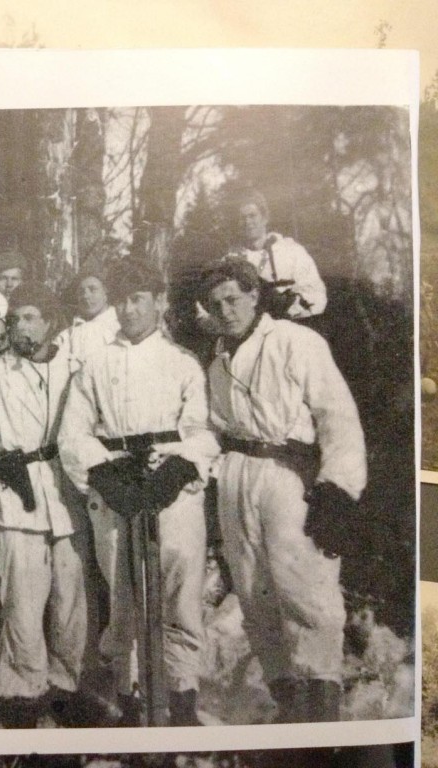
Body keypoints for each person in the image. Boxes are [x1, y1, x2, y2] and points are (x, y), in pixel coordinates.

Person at [200, 258, 366, 723]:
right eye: (216, 304)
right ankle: (289, 703)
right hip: (236, 474)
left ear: (255, 295)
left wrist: (337, 486)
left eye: (233, 298)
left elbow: (337, 415)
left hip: (286, 471)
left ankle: (322, 706)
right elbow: (214, 425)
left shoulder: (296, 341)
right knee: (254, 594)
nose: (226, 310)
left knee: (304, 587)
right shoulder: (218, 358)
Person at [59, 259, 218, 727]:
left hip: (171, 487)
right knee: (122, 596)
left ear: (159, 302)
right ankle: (131, 700)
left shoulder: (182, 362)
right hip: (117, 486)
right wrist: (102, 474)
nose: (129, 310)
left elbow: (202, 430)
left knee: (179, 591)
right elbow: (74, 434)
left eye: (139, 299)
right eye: (122, 300)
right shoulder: (95, 364)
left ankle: (180, 697)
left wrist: (180, 465)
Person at [0, 283, 92, 728]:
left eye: (30, 317)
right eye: (15, 318)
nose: (21, 327)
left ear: (50, 322)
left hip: (66, 491)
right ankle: (23, 689)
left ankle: (67, 684)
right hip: (15, 493)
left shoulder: (74, 369)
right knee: (21, 599)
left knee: (71, 596)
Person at [229, 188, 327, 319]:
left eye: (252, 216)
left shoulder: (291, 251)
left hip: (291, 324)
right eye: (242, 218)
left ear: (265, 218)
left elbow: (314, 292)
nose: (247, 222)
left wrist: (295, 310)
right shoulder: (232, 259)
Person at [54, 257, 120, 364]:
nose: (86, 296)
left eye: (93, 289)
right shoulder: (69, 333)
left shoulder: (119, 326)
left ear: (105, 293)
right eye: (81, 292)